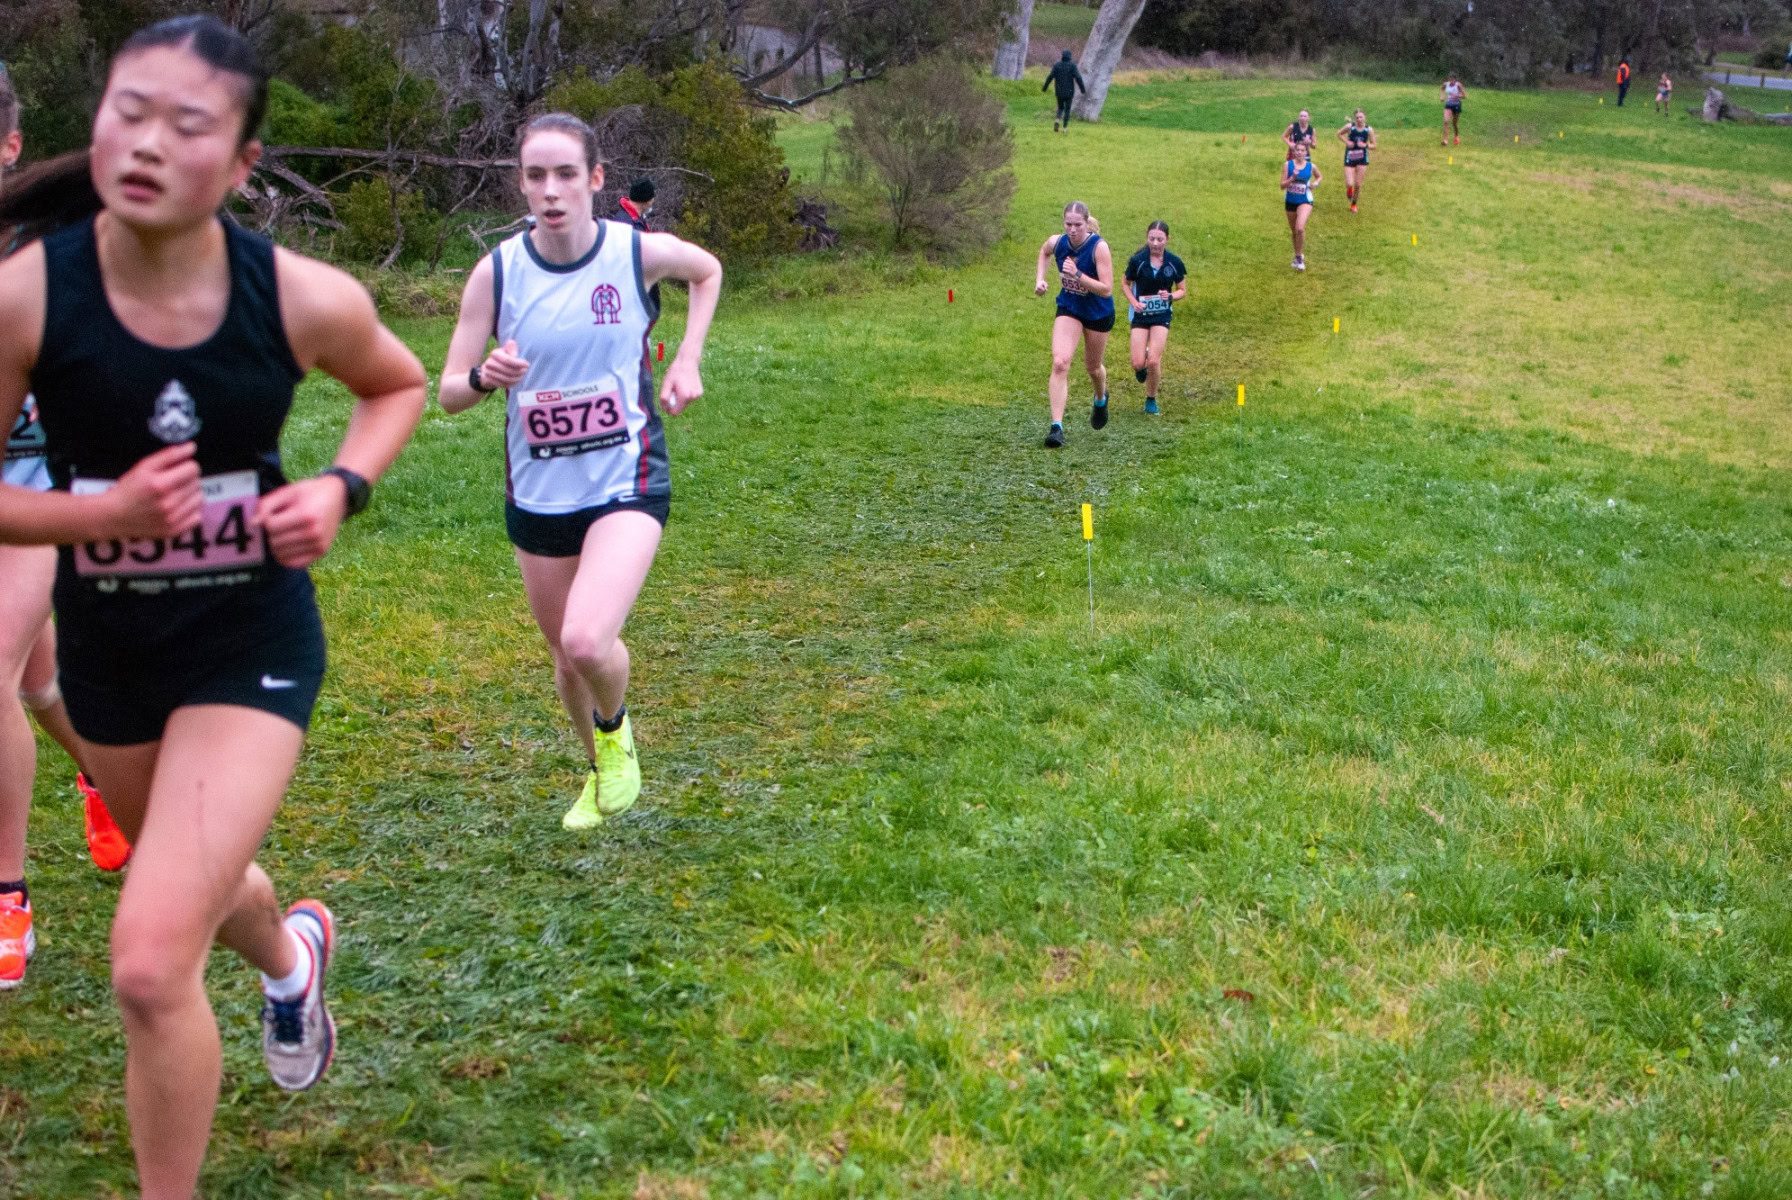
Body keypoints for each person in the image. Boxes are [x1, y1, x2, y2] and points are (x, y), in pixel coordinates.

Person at [0, 16, 427, 1196]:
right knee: (203, 886)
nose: (144, 143)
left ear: (242, 165)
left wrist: (339, 490)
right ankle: (291, 961)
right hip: (112, 658)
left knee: (146, 960)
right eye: (126, 111)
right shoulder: (28, 298)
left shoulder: (296, 295)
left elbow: (395, 384)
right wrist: (104, 515)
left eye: (186, 126)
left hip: (250, 646)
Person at [438, 113, 722, 831]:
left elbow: (707, 270)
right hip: (537, 491)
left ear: (595, 180)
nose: (551, 190)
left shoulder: (633, 253)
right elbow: (447, 392)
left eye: (567, 174)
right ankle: (599, 773)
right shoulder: (497, 272)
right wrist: (484, 374)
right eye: (536, 175)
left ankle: (616, 733)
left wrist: (686, 357)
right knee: (565, 661)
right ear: (521, 184)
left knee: (586, 640)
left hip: (627, 475)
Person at [0, 62, 134, 995]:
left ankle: (6, 902)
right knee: (41, 687)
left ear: (9, 146)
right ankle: (107, 781)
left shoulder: (49, 248)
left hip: (37, 484)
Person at [1033, 201, 1113, 447]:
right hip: (1069, 307)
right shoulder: (1058, 242)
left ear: (1086, 223)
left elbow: (1107, 289)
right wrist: (1040, 280)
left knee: (1093, 367)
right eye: (1068, 224)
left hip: (1098, 313)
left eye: (1078, 225)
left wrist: (1077, 274)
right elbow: (1044, 251)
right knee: (1060, 362)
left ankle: (1101, 398)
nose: (1073, 229)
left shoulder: (1098, 248)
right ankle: (1056, 427)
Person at [1120, 222, 1185, 416]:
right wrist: (1134, 302)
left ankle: (1151, 399)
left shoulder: (1174, 262)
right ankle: (1144, 359)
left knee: (1154, 361)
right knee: (1138, 363)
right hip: (1141, 314)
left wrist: (1171, 296)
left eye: (1160, 239)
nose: (1155, 243)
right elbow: (1125, 283)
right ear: (1147, 238)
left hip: (1161, 315)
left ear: (1167, 240)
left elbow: (1183, 290)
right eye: (1151, 239)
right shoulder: (1138, 261)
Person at [1281, 141, 1320, 271]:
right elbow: (1282, 186)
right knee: (1294, 231)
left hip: (1305, 200)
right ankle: (1297, 255)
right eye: (1297, 150)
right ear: (1294, 151)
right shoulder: (1288, 165)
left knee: (1300, 228)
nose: (1300, 152)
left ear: (1306, 152)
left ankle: (1298, 259)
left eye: (1303, 150)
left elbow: (1319, 177)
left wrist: (1315, 184)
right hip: (1290, 200)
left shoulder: (1310, 166)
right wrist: (1292, 178)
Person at [1336, 108, 1376, 213]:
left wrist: (1365, 145)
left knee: (1358, 184)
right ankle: (1349, 189)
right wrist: (1347, 142)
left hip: (1362, 158)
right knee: (1350, 183)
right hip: (1350, 157)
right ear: (1355, 118)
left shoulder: (1369, 130)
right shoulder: (1350, 127)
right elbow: (1339, 134)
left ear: (1365, 117)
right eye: (1357, 117)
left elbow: (1374, 145)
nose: (1359, 119)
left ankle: (1353, 205)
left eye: (1361, 117)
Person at [1043, 50, 1086, 133]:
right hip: (1069, 92)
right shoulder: (1072, 65)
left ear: (1062, 56)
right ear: (1070, 56)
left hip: (1059, 91)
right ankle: (1064, 128)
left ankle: (1057, 120)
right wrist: (1082, 89)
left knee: (1060, 107)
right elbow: (1078, 78)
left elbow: (1050, 77)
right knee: (1067, 109)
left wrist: (1045, 88)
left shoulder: (1057, 65)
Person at [1441, 75, 1466, 145]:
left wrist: (1457, 96)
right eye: (1450, 79)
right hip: (1448, 104)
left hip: (1457, 105)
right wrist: (1442, 96)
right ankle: (1445, 140)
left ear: (1455, 80)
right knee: (1446, 122)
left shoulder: (1458, 85)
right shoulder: (1446, 84)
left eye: (1453, 80)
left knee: (1454, 123)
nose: (1451, 81)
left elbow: (1464, 96)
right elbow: (1442, 89)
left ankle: (1456, 136)